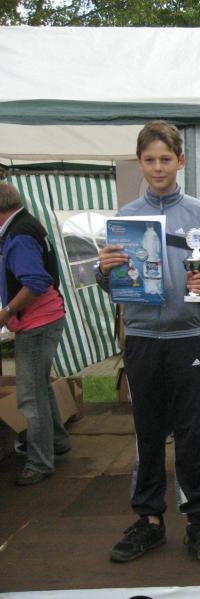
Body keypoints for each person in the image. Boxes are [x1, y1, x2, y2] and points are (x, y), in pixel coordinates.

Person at [96, 121, 200, 564]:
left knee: (191, 434)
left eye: (166, 159)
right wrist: (104, 271)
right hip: (140, 338)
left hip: (186, 337)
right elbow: (113, 280)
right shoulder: (125, 217)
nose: (158, 168)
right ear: (139, 163)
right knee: (148, 432)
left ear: (181, 161)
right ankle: (149, 521)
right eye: (150, 160)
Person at [0, 181, 69, 486]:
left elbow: (36, 281)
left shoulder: (18, 235)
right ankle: (57, 441)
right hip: (47, 317)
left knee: (30, 395)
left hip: (37, 322)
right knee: (39, 385)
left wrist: (6, 312)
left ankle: (39, 462)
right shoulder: (27, 223)